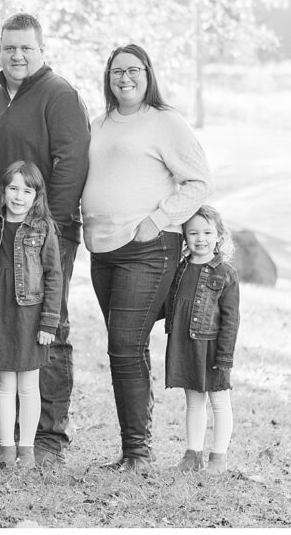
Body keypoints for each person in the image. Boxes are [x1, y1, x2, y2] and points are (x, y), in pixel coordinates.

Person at [81, 43, 214, 473]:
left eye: (133, 70)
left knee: (124, 344)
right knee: (124, 347)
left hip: (146, 249)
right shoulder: (98, 124)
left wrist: (158, 219)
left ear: (148, 73)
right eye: (116, 71)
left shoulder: (165, 122)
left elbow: (198, 182)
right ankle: (132, 450)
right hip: (102, 251)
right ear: (108, 77)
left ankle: (138, 452)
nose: (125, 78)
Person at [0, 12, 90, 466]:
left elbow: (71, 164)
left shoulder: (59, 96)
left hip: (45, 235)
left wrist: (46, 231)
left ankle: (48, 439)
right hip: (0, 234)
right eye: (9, 47)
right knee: (2, 328)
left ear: (41, 50)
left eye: (26, 47)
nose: (17, 55)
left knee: (48, 330)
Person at [0, 161, 62, 469]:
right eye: (13, 188)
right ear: (2, 192)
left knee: (28, 386)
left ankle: (26, 448)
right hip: (0, 313)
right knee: (3, 384)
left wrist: (49, 321)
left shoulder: (43, 229)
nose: (19, 196)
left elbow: (54, 275)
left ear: (36, 196)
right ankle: (6, 448)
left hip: (31, 315)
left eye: (27, 190)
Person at [164, 205, 240, 476]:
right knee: (194, 401)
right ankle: (192, 455)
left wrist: (225, 356)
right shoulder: (179, 269)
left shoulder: (225, 274)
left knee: (219, 402)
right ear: (184, 236)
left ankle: (218, 458)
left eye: (208, 232)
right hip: (186, 345)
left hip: (212, 347)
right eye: (193, 232)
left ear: (219, 235)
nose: (201, 238)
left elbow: (231, 320)